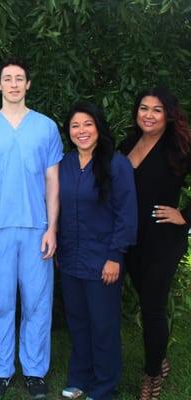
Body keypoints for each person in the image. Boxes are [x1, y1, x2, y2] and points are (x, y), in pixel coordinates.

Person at [0, 57, 63, 399]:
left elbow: (53, 182)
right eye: (7, 78)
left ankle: (35, 372)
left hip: (37, 228)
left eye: (20, 78)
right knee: (0, 301)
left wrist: (52, 228)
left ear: (28, 84)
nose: (14, 84)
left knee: (38, 302)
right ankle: (1, 371)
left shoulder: (46, 127)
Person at [58, 102, 137, 400]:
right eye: (75, 126)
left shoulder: (116, 164)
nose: (81, 131)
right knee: (78, 322)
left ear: (98, 128)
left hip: (103, 260)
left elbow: (126, 214)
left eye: (87, 124)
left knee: (103, 325)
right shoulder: (65, 164)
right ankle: (80, 377)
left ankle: (104, 387)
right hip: (70, 259)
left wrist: (115, 256)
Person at [119, 87, 191, 400]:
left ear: (168, 115)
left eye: (157, 109)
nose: (148, 114)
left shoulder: (178, 146)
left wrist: (185, 215)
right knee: (147, 302)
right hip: (133, 239)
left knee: (152, 307)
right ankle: (158, 357)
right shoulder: (127, 143)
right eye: (143, 108)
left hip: (163, 238)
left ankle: (151, 375)